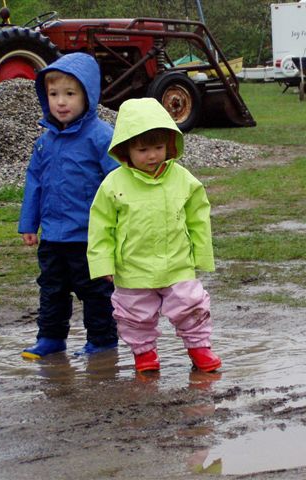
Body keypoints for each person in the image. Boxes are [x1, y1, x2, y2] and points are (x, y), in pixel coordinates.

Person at [87, 97, 222, 373]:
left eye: (159, 147)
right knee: (134, 314)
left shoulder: (183, 179)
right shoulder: (113, 184)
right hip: (133, 266)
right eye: (143, 149)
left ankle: (200, 349)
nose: (152, 156)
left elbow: (198, 218)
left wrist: (201, 254)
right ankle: (144, 354)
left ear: (170, 145)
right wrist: (103, 263)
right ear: (126, 150)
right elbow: (101, 226)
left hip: (177, 263)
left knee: (191, 305)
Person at [19, 53, 119, 359]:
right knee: (52, 290)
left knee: (95, 292)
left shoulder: (101, 137)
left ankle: (102, 340)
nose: (61, 102)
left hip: (90, 237)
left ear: (88, 95)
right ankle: (50, 338)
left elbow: (118, 182)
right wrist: (28, 223)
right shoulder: (45, 142)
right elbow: (34, 182)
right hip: (52, 236)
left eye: (70, 94)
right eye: (53, 94)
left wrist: (120, 225)